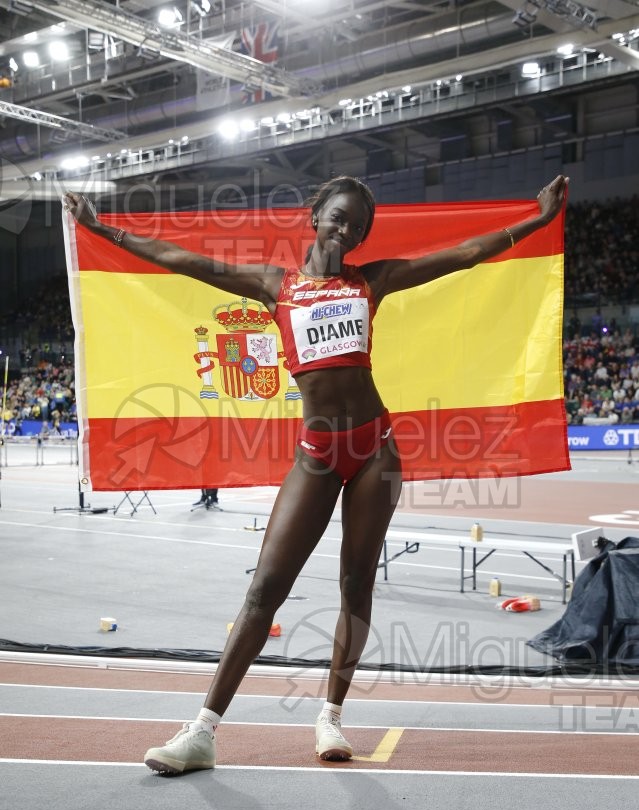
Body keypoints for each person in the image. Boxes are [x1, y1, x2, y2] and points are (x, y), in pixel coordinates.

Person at [64, 173, 568, 775]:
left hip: (375, 450)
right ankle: (201, 732)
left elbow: (459, 256)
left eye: (356, 224)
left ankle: (330, 715)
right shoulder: (274, 286)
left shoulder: (372, 280)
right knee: (263, 592)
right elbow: (180, 259)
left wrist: (536, 222)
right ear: (316, 215)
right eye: (338, 216)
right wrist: (101, 229)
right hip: (318, 455)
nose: (346, 228)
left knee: (356, 585)